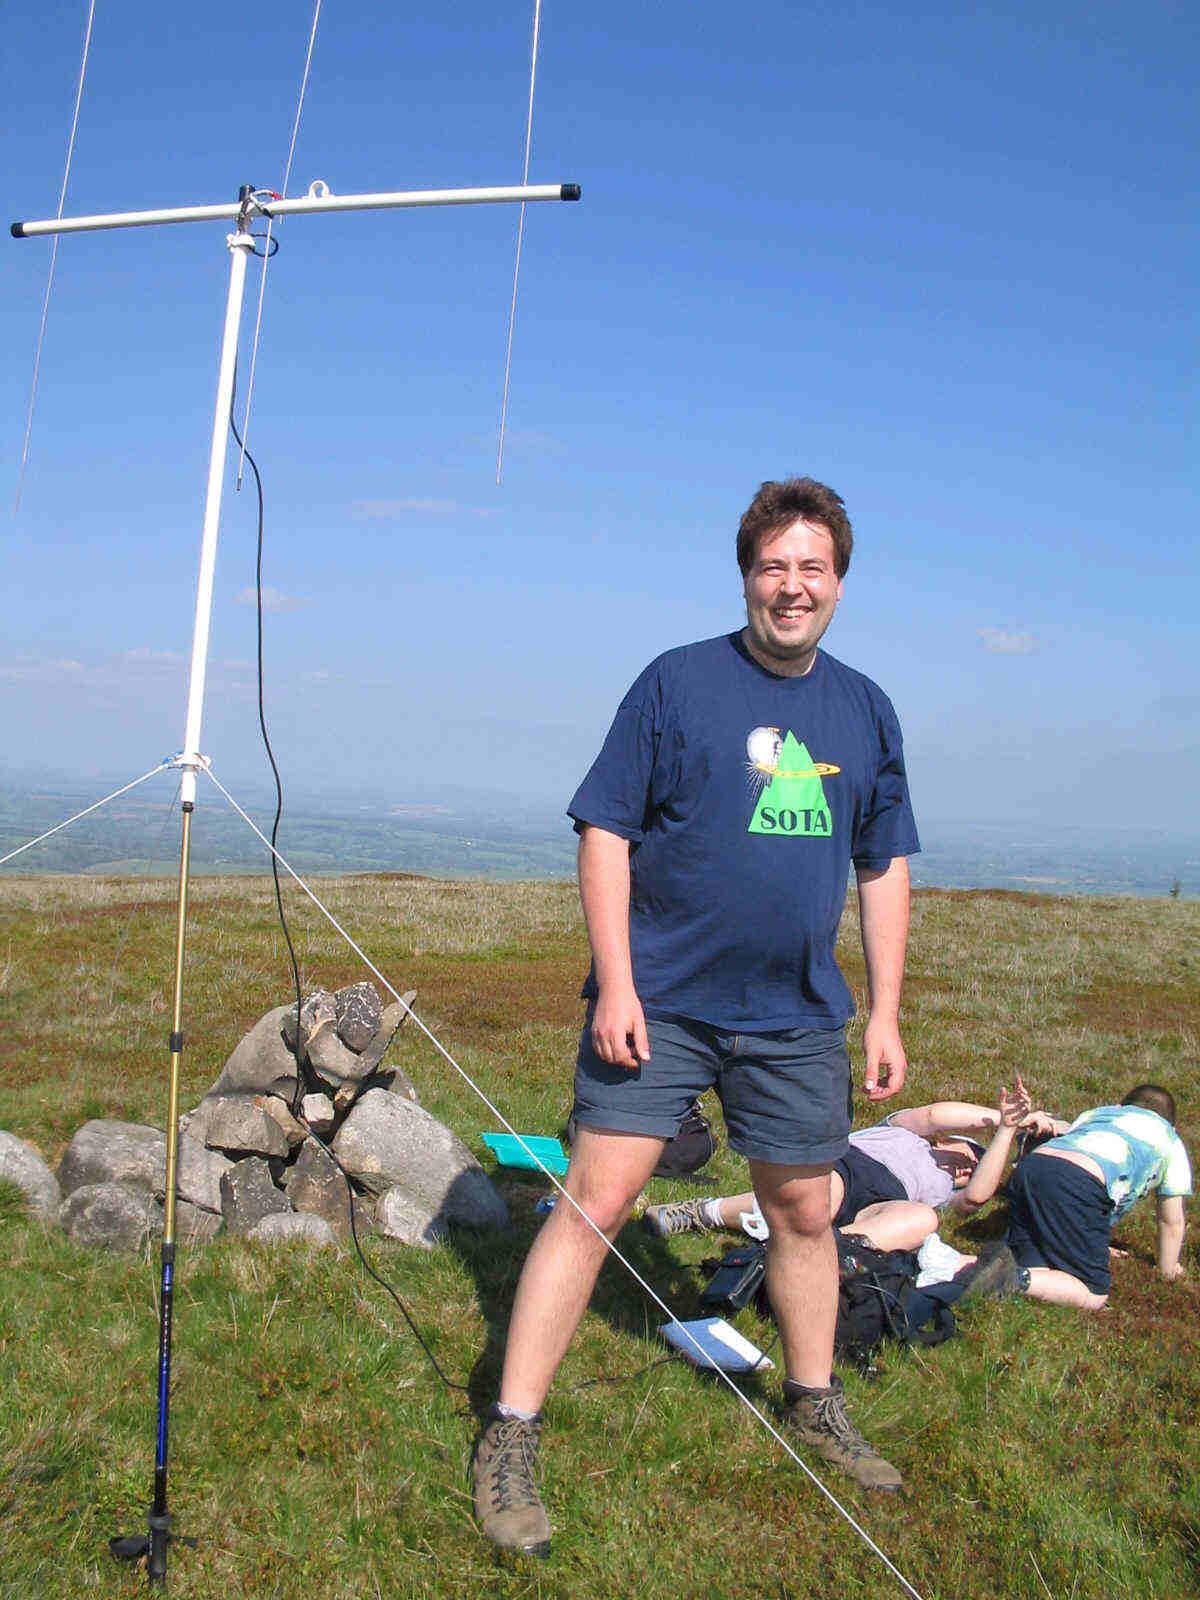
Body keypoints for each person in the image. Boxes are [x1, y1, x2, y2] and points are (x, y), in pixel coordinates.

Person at [471, 475, 922, 1556]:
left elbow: (885, 863)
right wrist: (617, 982)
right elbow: (604, 834)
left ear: (840, 585)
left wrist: (888, 1011)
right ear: (746, 576)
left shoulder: (865, 709)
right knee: (595, 1201)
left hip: (796, 1012)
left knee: (805, 1210)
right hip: (663, 998)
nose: (792, 585)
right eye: (774, 565)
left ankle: (813, 1400)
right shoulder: (676, 684)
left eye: (812, 567)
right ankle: (509, 1432)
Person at [642, 1081, 1032, 1254]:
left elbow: (978, 1196)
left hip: (888, 1201)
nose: (971, 1164)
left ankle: (833, 1255)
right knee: (821, 1199)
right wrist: (1003, 1119)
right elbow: (937, 1113)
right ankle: (702, 1211)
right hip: (852, 1167)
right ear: (946, 1138)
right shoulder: (905, 1133)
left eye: (982, 1163)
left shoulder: (946, 1193)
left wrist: (1006, 1136)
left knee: (922, 1221)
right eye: (970, 1152)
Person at [1001, 1082, 1190, 1309]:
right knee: (1092, 1292)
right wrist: (1168, 1269)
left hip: (1032, 1167)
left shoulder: (1097, 1114)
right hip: (1079, 1182)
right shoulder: (1171, 1140)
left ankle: (978, 1267)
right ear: (1173, 1126)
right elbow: (1171, 1220)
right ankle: (1012, 1280)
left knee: (1034, 1261)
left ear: (1120, 1106)